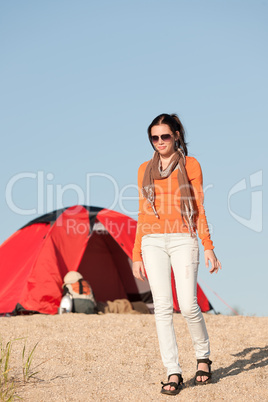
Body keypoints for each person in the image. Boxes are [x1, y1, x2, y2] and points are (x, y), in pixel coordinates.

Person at [132, 113, 221, 395]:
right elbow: (143, 212)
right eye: (154, 137)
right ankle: (173, 371)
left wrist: (208, 246)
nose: (160, 142)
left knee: (188, 304)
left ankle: (203, 357)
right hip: (153, 241)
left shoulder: (191, 165)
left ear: (177, 135)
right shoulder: (144, 169)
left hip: (183, 238)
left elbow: (198, 206)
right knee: (162, 307)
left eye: (165, 136)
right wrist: (136, 253)